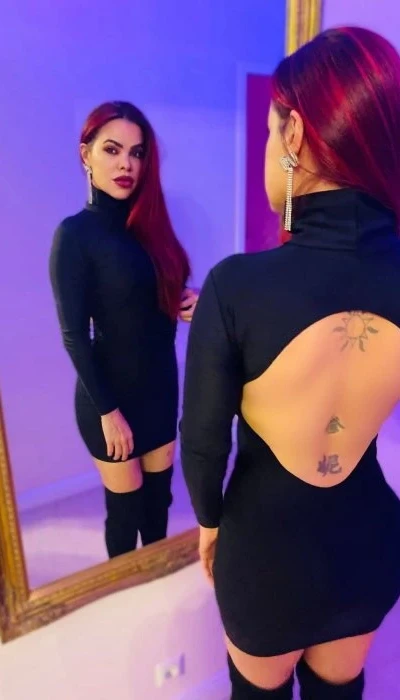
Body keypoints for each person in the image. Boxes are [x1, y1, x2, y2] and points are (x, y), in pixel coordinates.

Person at [181, 27, 400, 700]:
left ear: (296, 134)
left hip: (265, 555)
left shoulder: (236, 286)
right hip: (371, 546)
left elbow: (203, 441)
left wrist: (210, 523)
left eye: (272, 130)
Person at [50, 101, 198, 559]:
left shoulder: (151, 228)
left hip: (160, 389)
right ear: (86, 155)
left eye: (136, 153)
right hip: (109, 397)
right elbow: (74, 334)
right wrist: (109, 412)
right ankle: (122, 594)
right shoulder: (75, 235)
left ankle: (154, 594)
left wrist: (185, 300)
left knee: (158, 508)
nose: (126, 164)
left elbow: (147, 298)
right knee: (124, 514)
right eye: (112, 150)